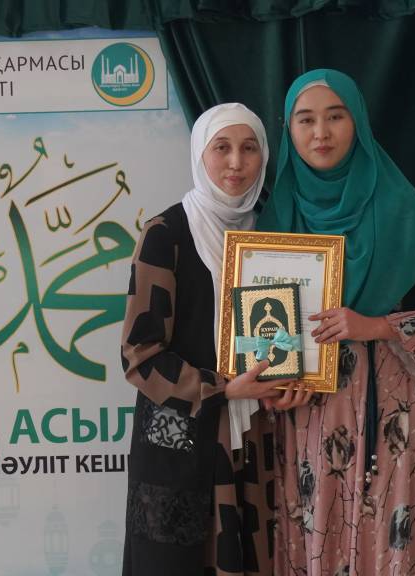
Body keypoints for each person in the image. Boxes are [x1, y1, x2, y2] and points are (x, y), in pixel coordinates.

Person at [256, 69, 415, 575]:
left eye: (336, 116)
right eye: (305, 120)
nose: (321, 133)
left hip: (383, 409)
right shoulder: (277, 213)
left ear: (358, 122)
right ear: (288, 130)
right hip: (305, 412)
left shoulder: (396, 206)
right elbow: (262, 335)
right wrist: (271, 385)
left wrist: (375, 326)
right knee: (311, 531)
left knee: (385, 534)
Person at [121, 102, 311, 576]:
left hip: (257, 440)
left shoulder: (277, 232)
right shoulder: (166, 234)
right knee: (174, 563)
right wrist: (223, 388)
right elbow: (140, 356)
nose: (236, 162)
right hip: (179, 442)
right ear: (200, 154)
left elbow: (289, 334)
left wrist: (296, 378)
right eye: (221, 147)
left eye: (249, 148)